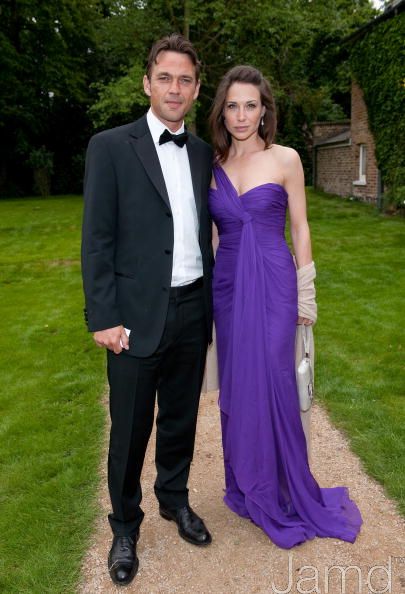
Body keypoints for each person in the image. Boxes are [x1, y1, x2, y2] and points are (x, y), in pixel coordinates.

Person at [208, 65, 362, 549]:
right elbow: (213, 237)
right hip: (228, 285)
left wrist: (306, 293)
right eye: (232, 106)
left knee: (274, 379)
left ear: (264, 111)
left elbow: (300, 228)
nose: (241, 115)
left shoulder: (286, 158)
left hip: (275, 282)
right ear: (222, 112)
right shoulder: (211, 164)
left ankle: (281, 486)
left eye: (250, 105)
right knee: (237, 381)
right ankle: (246, 482)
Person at [81, 34, 214, 587]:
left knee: (181, 417)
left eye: (185, 79)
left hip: (193, 306)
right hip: (133, 317)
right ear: (147, 83)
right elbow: (97, 239)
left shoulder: (203, 153)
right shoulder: (110, 146)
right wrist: (103, 317)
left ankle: (174, 498)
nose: (174, 88)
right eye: (165, 78)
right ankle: (124, 526)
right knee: (130, 428)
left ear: (197, 89)